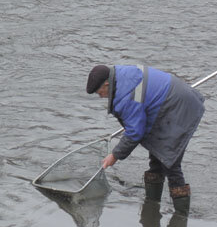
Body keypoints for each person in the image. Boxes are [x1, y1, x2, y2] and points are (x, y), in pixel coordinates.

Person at [86, 64, 205, 214]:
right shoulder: (122, 75)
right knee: (156, 155)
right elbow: (139, 113)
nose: (101, 96)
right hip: (170, 103)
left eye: (99, 92)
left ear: (107, 84)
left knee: (170, 163)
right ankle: (152, 206)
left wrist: (115, 156)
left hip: (180, 109)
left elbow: (135, 133)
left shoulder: (126, 97)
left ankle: (181, 217)